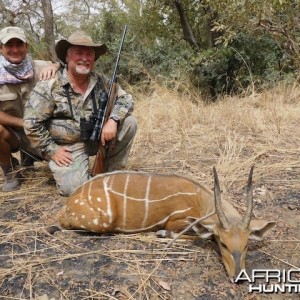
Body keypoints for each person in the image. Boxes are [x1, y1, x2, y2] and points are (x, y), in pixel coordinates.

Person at [24, 30, 137, 196]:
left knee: (129, 123)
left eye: (89, 54)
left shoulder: (102, 82)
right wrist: (52, 150)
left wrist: (113, 120)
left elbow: (126, 100)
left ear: (94, 59)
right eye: (79, 53)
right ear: (67, 57)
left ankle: (112, 173)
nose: (84, 58)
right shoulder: (49, 85)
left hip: (97, 139)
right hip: (67, 147)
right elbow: (30, 123)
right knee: (76, 190)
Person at [0, 26, 59, 192]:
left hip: (43, 133)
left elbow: (62, 66)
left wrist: (55, 66)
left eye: (19, 44)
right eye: (9, 45)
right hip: (15, 134)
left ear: (27, 46)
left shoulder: (40, 67)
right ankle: (10, 169)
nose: (15, 49)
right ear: (1, 48)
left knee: (65, 175)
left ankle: (31, 157)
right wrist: (25, 123)